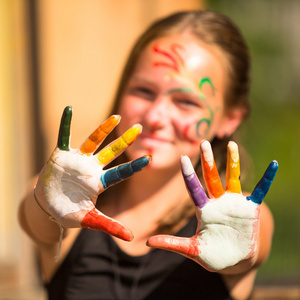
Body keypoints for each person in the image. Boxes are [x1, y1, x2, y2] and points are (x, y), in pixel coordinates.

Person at [19, 10, 278, 300]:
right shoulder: (65, 199)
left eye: (185, 101)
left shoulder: (242, 216)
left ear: (231, 118)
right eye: (143, 90)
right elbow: (38, 220)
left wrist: (239, 249)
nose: (155, 116)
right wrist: (45, 206)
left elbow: (251, 247)